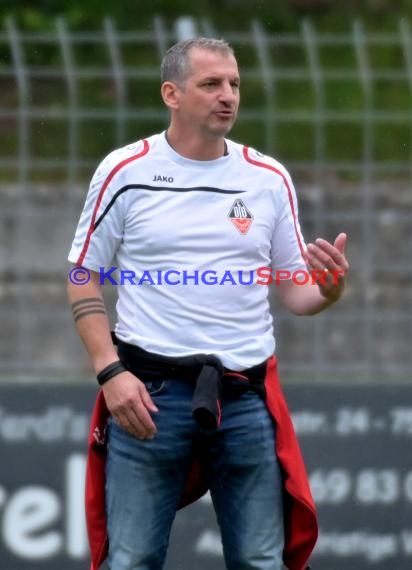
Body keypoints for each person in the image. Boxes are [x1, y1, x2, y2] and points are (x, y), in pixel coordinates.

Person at [67, 37, 349, 570]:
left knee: (261, 561)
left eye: (235, 84)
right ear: (171, 94)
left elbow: (295, 292)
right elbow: (83, 278)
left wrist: (328, 291)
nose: (228, 96)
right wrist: (110, 372)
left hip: (244, 398)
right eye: (211, 84)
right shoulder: (124, 171)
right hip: (145, 396)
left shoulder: (267, 178)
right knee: (130, 560)